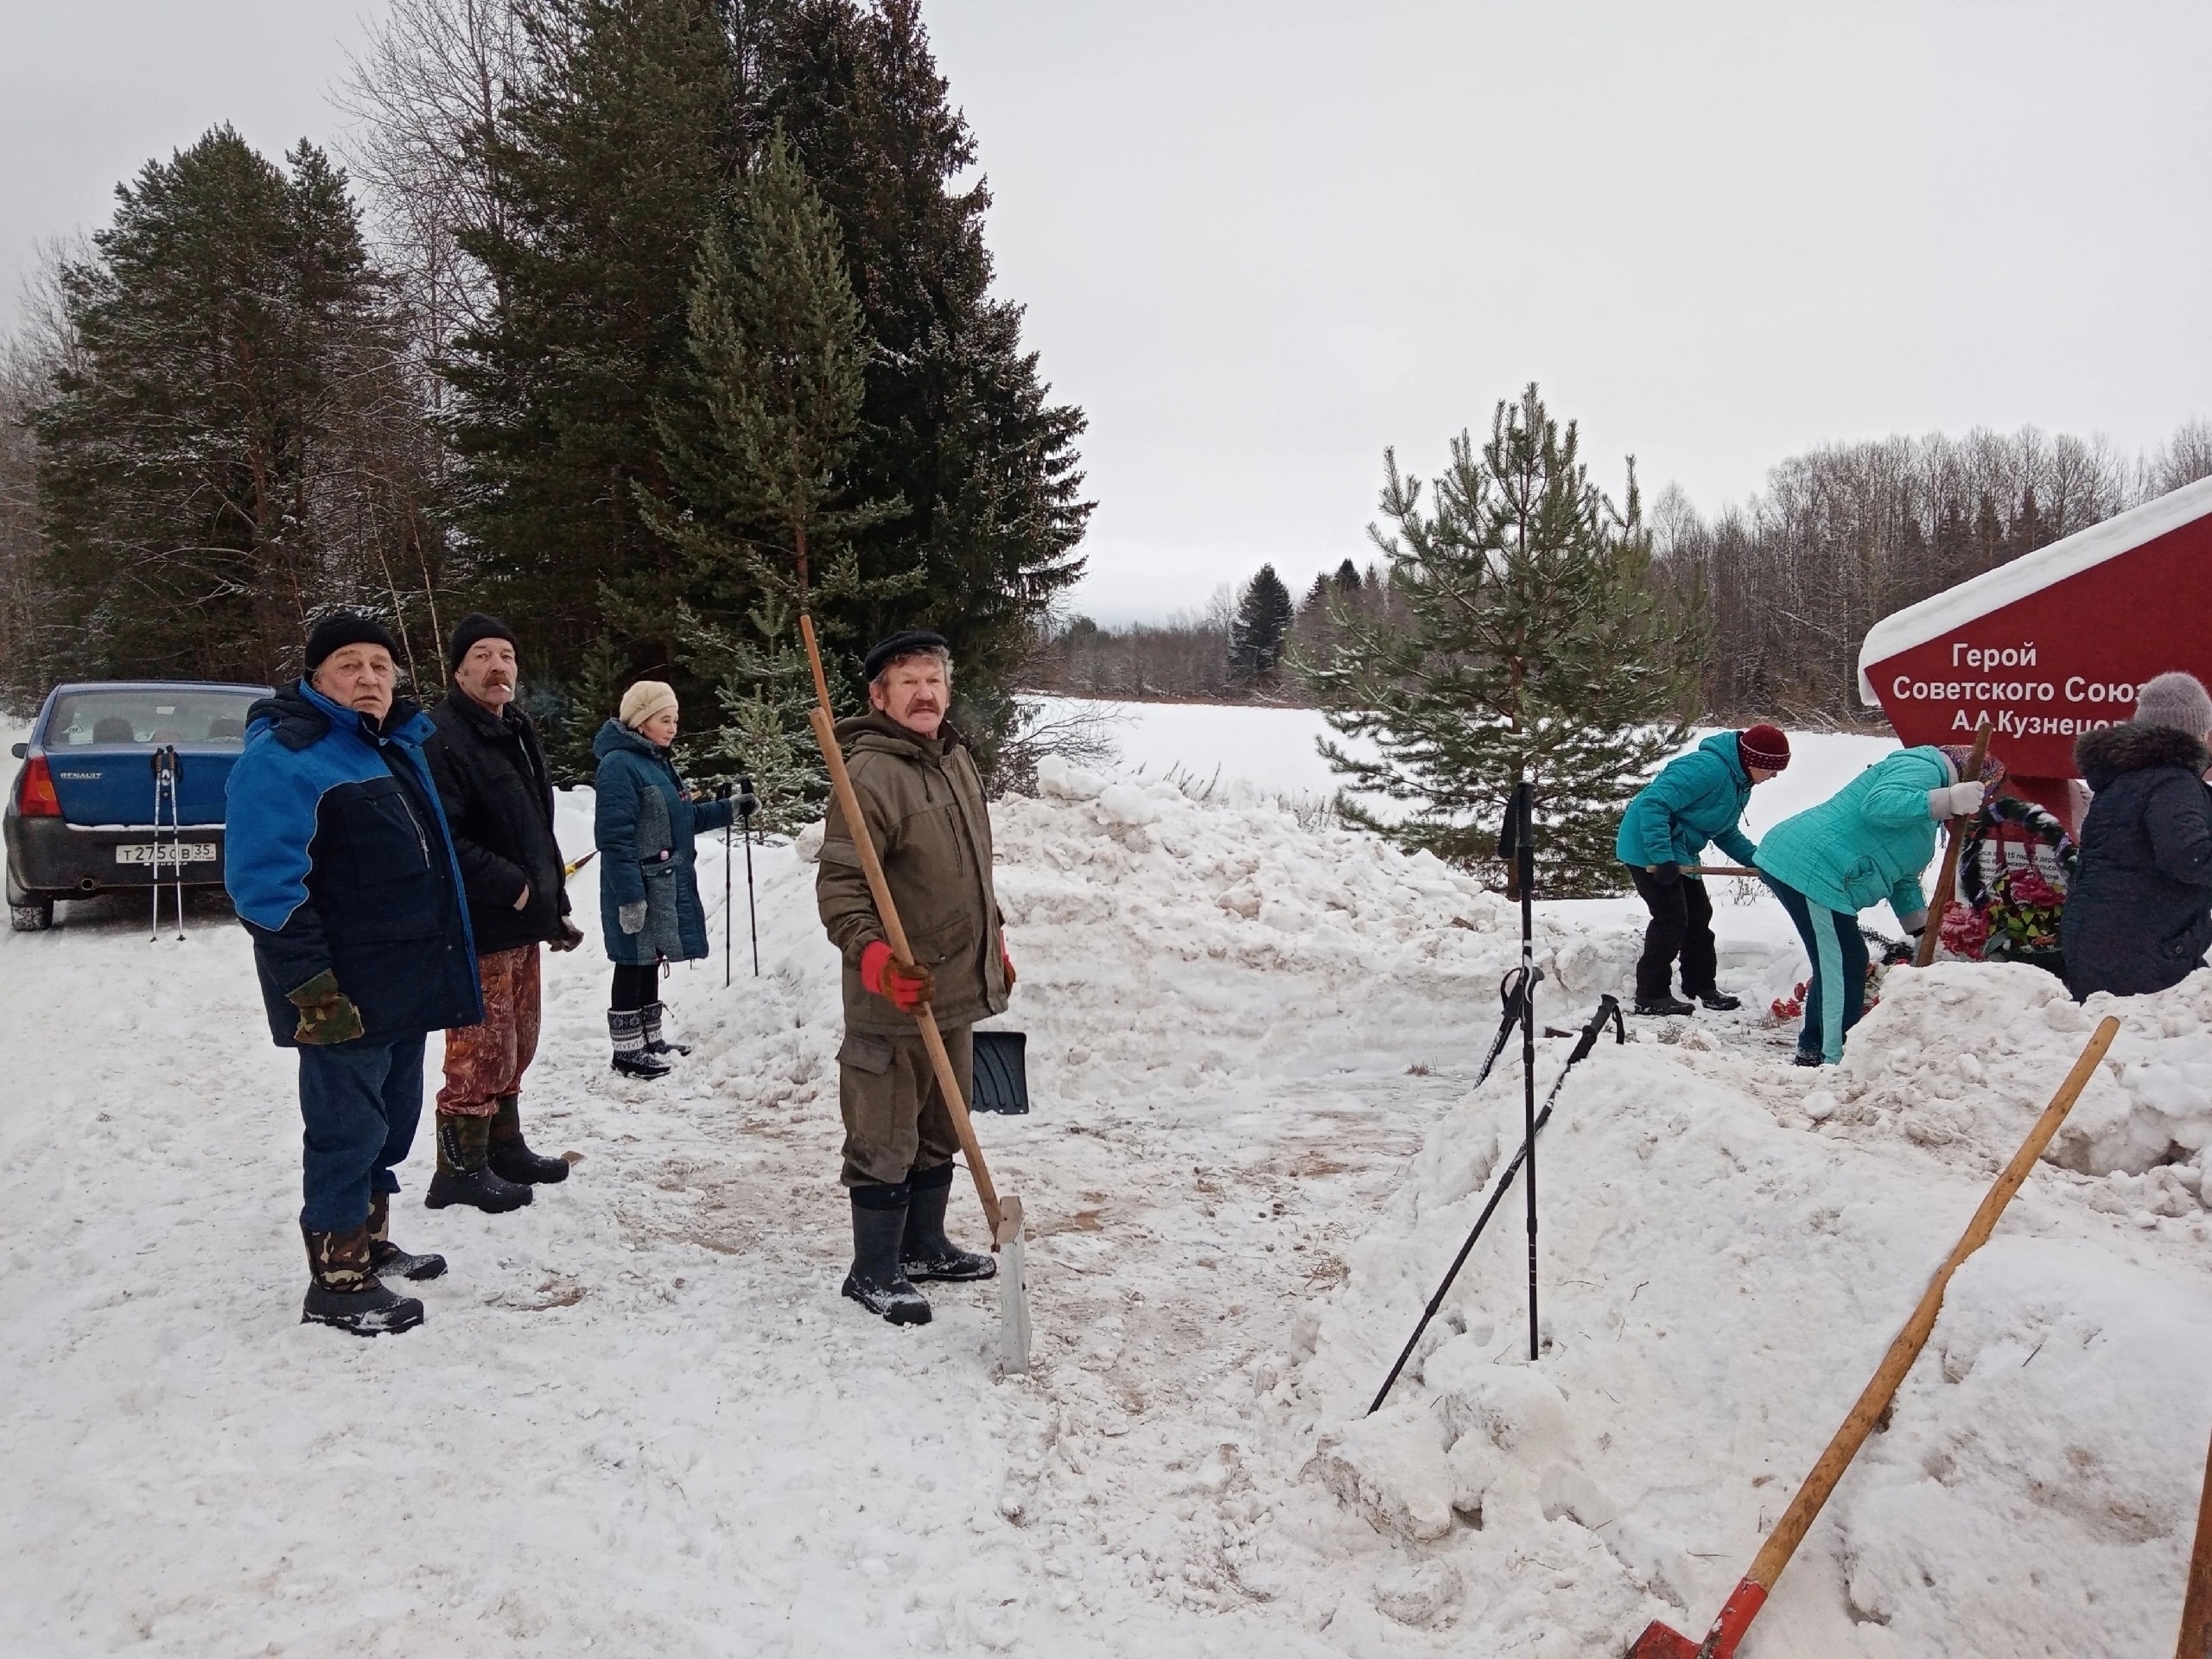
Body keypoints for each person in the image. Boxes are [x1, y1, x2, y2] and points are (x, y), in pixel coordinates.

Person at [225, 613, 482, 1336]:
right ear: (315, 678)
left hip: (400, 980)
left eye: (379, 664)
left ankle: (369, 1240)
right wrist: (313, 990)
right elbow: (265, 888)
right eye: (348, 665)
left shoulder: (391, 744)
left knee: (389, 1122)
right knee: (344, 1128)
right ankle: (337, 1279)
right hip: (341, 990)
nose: (368, 678)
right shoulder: (287, 756)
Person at [817, 630, 1014, 1325]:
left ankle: (925, 1244)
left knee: (941, 1127)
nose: (925, 692)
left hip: (951, 990)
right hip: (891, 1000)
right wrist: (879, 963)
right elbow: (841, 894)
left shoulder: (954, 760)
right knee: (884, 1135)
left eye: (933, 678)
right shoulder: (867, 774)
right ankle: (873, 1269)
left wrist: (996, 944)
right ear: (879, 697)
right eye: (908, 682)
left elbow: (971, 870)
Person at [423, 613, 584, 1212]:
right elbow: (445, 837)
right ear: (459, 668)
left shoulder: (513, 728)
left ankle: (504, 1145)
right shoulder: (441, 736)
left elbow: (535, 827)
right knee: (479, 1047)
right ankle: (458, 1169)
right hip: (480, 924)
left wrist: (551, 903)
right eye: (483, 656)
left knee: (517, 1041)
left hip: (523, 921)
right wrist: (513, 887)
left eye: (508, 656)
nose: (498, 668)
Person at [1754, 743, 1993, 1066]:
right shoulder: (1923, 766)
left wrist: (1922, 931)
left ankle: (1813, 1049)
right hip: (1814, 866)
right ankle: (1833, 1058)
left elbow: (1902, 874)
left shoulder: (1929, 807)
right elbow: (1878, 806)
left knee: (1840, 961)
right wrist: (1946, 801)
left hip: (1821, 871)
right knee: (1845, 962)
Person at [592, 681, 734, 1077]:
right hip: (636, 883)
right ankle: (627, 1051)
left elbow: (685, 819)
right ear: (641, 721)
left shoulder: (656, 761)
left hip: (663, 882)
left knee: (651, 959)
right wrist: (630, 897)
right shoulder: (619, 765)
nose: (672, 728)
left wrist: (729, 809)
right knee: (630, 961)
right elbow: (613, 839)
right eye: (663, 719)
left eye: (675, 720)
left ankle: (650, 1039)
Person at [1616, 724, 1789, 1015]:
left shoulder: (1739, 784)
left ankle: (1700, 986)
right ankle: (1651, 995)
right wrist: (1662, 857)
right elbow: (1652, 804)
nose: (1773, 776)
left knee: (1698, 917)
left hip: (1679, 849)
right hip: (1647, 846)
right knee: (1671, 919)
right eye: (1772, 769)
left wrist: (1760, 862)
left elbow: (1724, 832)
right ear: (1755, 760)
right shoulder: (1707, 769)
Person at [2062, 671, 2212, 1001]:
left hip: (2105, 940)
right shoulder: (2173, 783)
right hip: (2145, 952)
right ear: (2197, 734)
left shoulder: (2125, 777)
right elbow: (2189, 857)